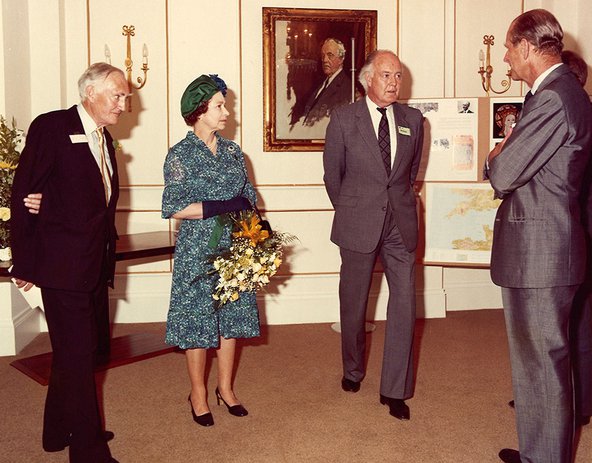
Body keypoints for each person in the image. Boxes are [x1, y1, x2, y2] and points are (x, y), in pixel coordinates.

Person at [484, 10, 592, 463]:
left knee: (544, 368)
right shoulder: (560, 92)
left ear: (527, 47)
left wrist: (496, 152)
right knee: (538, 367)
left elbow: (503, 174)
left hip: (542, 255)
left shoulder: (552, 97)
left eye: (508, 48)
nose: (505, 59)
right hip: (545, 252)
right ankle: (538, 453)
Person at [10, 62, 128, 463]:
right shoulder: (53, 126)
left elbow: (85, 201)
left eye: (125, 97)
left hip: (93, 264)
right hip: (61, 266)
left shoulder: (104, 139)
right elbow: (24, 193)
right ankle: (88, 448)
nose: (123, 104)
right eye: (118, 95)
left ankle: (58, 428)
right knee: (78, 357)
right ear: (91, 92)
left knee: (81, 351)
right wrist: (23, 266)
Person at [323, 50, 424, 421]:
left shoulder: (414, 120)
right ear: (368, 79)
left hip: (401, 223)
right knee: (353, 304)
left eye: (398, 76)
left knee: (405, 304)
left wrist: (394, 205)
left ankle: (394, 390)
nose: (394, 83)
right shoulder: (343, 119)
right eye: (386, 75)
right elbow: (333, 176)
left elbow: (408, 174)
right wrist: (352, 209)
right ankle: (352, 370)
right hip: (357, 222)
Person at [162, 74, 259, 427]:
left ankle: (226, 389)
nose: (226, 111)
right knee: (197, 323)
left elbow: (248, 196)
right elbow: (173, 206)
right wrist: (220, 206)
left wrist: (256, 235)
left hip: (235, 249)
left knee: (230, 322)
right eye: (219, 105)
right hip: (198, 251)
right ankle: (198, 394)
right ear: (199, 111)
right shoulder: (180, 155)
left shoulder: (234, 152)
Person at [564, 49, 592, 427]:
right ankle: (578, 402)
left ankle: (574, 403)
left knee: (574, 322)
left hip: (579, 228)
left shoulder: (568, 114)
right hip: (579, 225)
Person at [302, 38, 353, 127]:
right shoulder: (321, 84)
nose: (325, 60)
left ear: (341, 58)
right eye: (323, 56)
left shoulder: (347, 89)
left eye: (330, 55)